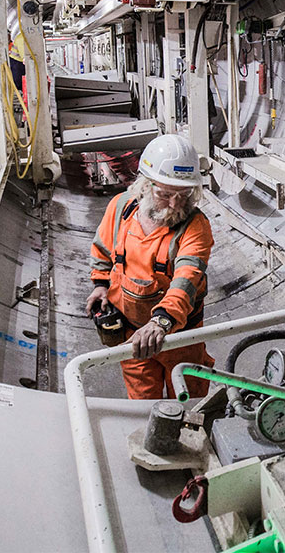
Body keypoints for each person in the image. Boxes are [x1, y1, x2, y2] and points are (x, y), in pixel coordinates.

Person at [86, 134, 215, 399]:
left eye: (184, 194)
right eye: (165, 194)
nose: (175, 204)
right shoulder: (121, 208)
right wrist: (100, 285)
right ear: (145, 185)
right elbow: (103, 250)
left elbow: (186, 280)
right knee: (144, 408)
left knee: (191, 405)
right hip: (131, 336)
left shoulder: (195, 227)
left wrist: (161, 322)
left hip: (180, 337)